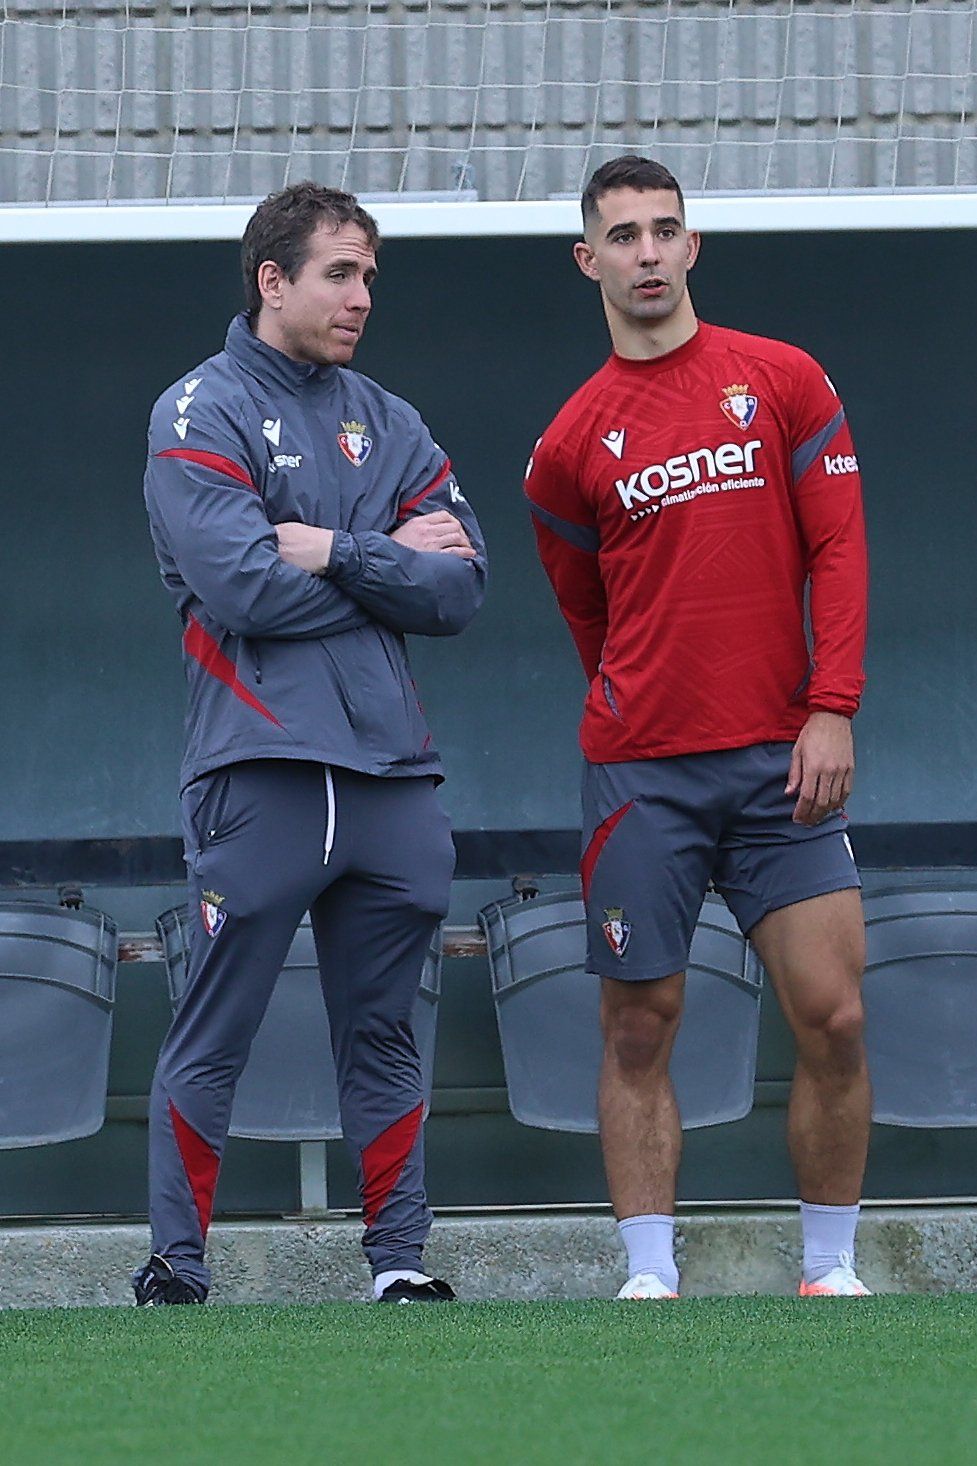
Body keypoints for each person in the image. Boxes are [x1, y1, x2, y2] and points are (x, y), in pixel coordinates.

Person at [525, 156, 870, 1300]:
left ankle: (828, 1269)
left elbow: (838, 548)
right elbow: (587, 613)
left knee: (833, 1011)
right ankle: (648, 1277)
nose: (645, 253)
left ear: (692, 246)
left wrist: (830, 706)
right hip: (640, 778)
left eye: (663, 230)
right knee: (639, 1023)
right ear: (588, 260)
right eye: (620, 235)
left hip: (785, 759)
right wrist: (646, 701)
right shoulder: (568, 443)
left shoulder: (781, 381)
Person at [135, 181, 486, 1305]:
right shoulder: (197, 409)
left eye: (370, 275)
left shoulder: (391, 418)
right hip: (259, 770)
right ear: (272, 280)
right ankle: (177, 1265)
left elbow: (463, 585)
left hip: (392, 775)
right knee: (217, 1026)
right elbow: (240, 585)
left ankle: (397, 1260)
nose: (360, 295)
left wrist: (335, 546)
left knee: (385, 1036)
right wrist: (389, 556)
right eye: (339, 272)